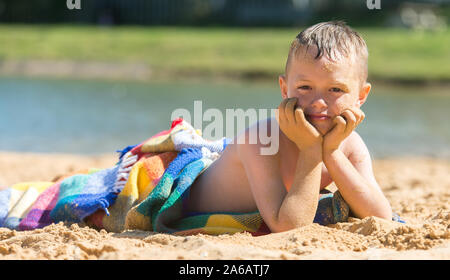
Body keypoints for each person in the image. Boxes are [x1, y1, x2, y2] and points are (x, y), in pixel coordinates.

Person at [186, 21, 392, 233]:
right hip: (190, 203)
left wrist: (331, 153)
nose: (319, 102)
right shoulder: (262, 139)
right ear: (285, 89)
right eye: (305, 87)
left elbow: (380, 216)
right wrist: (311, 152)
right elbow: (287, 226)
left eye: (335, 89)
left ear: (361, 96)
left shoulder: (351, 144)